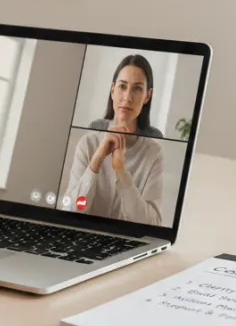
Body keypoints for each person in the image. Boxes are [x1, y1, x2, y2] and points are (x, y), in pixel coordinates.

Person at [63, 55, 166, 225]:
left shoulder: (153, 153)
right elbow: (70, 211)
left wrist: (120, 171)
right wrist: (96, 161)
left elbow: (152, 225)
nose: (127, 97)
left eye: (137, 89)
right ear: (112, 90)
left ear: (148, 96)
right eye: (122, 87)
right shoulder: (88, 143)